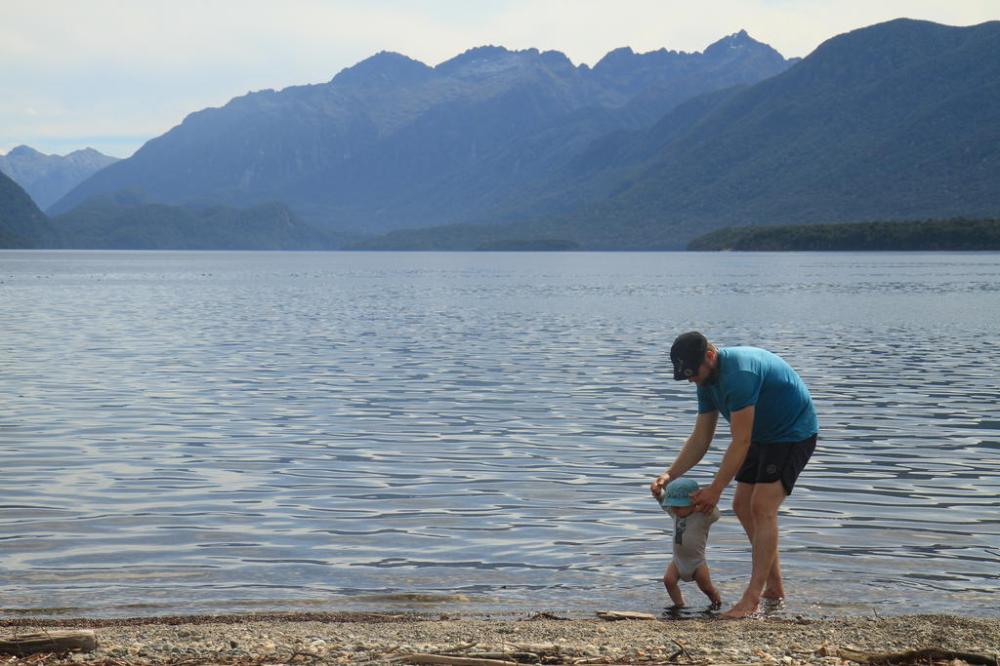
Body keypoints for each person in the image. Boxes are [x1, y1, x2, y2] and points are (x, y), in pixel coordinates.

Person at [649, 331, 817, 619]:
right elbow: (701, 438)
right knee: (742, 506)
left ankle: (751, 599)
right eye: (685, 375)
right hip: (759, 435)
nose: (692, 380)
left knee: (762, 507)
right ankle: (774, 588)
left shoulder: (739, 374)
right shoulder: (706, 380)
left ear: (710, 356)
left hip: (792, 431)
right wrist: (669, 474)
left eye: (692, 373)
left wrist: (715, 489)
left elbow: (740, 441)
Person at [657, 477, 721, 609]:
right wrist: (658, 493)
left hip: (697, 563)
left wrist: (707, 502)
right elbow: (664, 502)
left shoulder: (703, 517)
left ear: (693, 503)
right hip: (678, 561)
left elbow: (715, 514)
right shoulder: (676, 514)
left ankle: (717, 603)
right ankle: (679, 605)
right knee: (668, 581)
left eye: (678, 507)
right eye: (673, 506)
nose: (674, 510)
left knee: (706, 587)